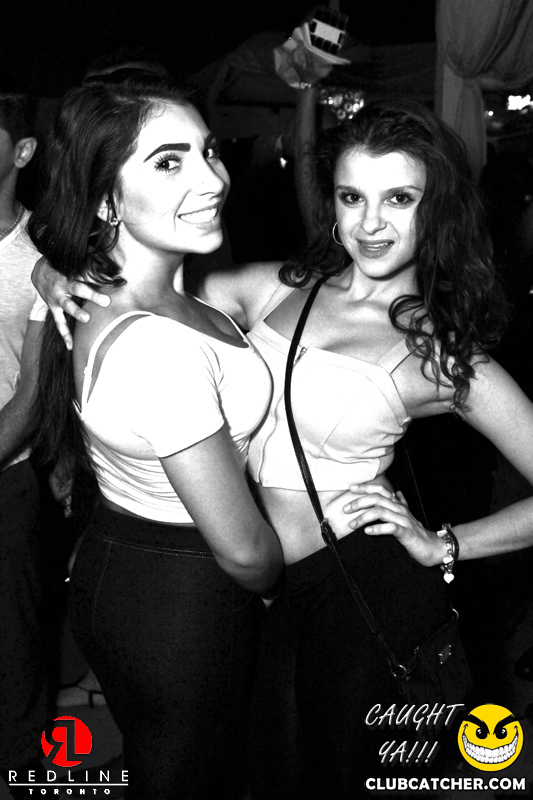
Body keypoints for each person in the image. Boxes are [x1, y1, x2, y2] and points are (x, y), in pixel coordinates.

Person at [33, 100, 533, 797]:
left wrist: (445, 545)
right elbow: (137, 289)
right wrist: (50, 274)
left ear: (437, 208)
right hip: (244, 592)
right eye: (352, 197)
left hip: (348, 588)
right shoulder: (276, 288)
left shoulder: (438, 354)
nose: (370, 224)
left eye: (399, 199)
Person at [28, 75, 285, 800]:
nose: (212, 178)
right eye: (168, 161)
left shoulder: (124, 292)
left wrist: (50, 268)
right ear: (106, 200)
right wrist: (280, 585)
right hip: (182, 595)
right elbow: (244, 550)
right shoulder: (156, 349)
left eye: (208, 151)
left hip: (129, 564)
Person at [0, 73, 48, 791]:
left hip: (7, 478)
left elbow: (34, 396)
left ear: (22, 152)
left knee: (11, 653)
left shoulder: (44, 256)